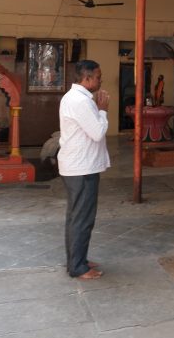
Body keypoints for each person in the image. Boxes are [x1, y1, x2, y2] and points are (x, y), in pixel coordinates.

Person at [58, 60, 110, 280]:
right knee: (82, 218)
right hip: (81, 168)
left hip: (79, 166)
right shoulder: (80, 101)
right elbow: (97, 132)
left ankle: (77, 259)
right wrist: (103, 111)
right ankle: (78, 267)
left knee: (77, 217)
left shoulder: (77, 98)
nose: (100, 80)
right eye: (98, 77)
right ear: (87, 79)